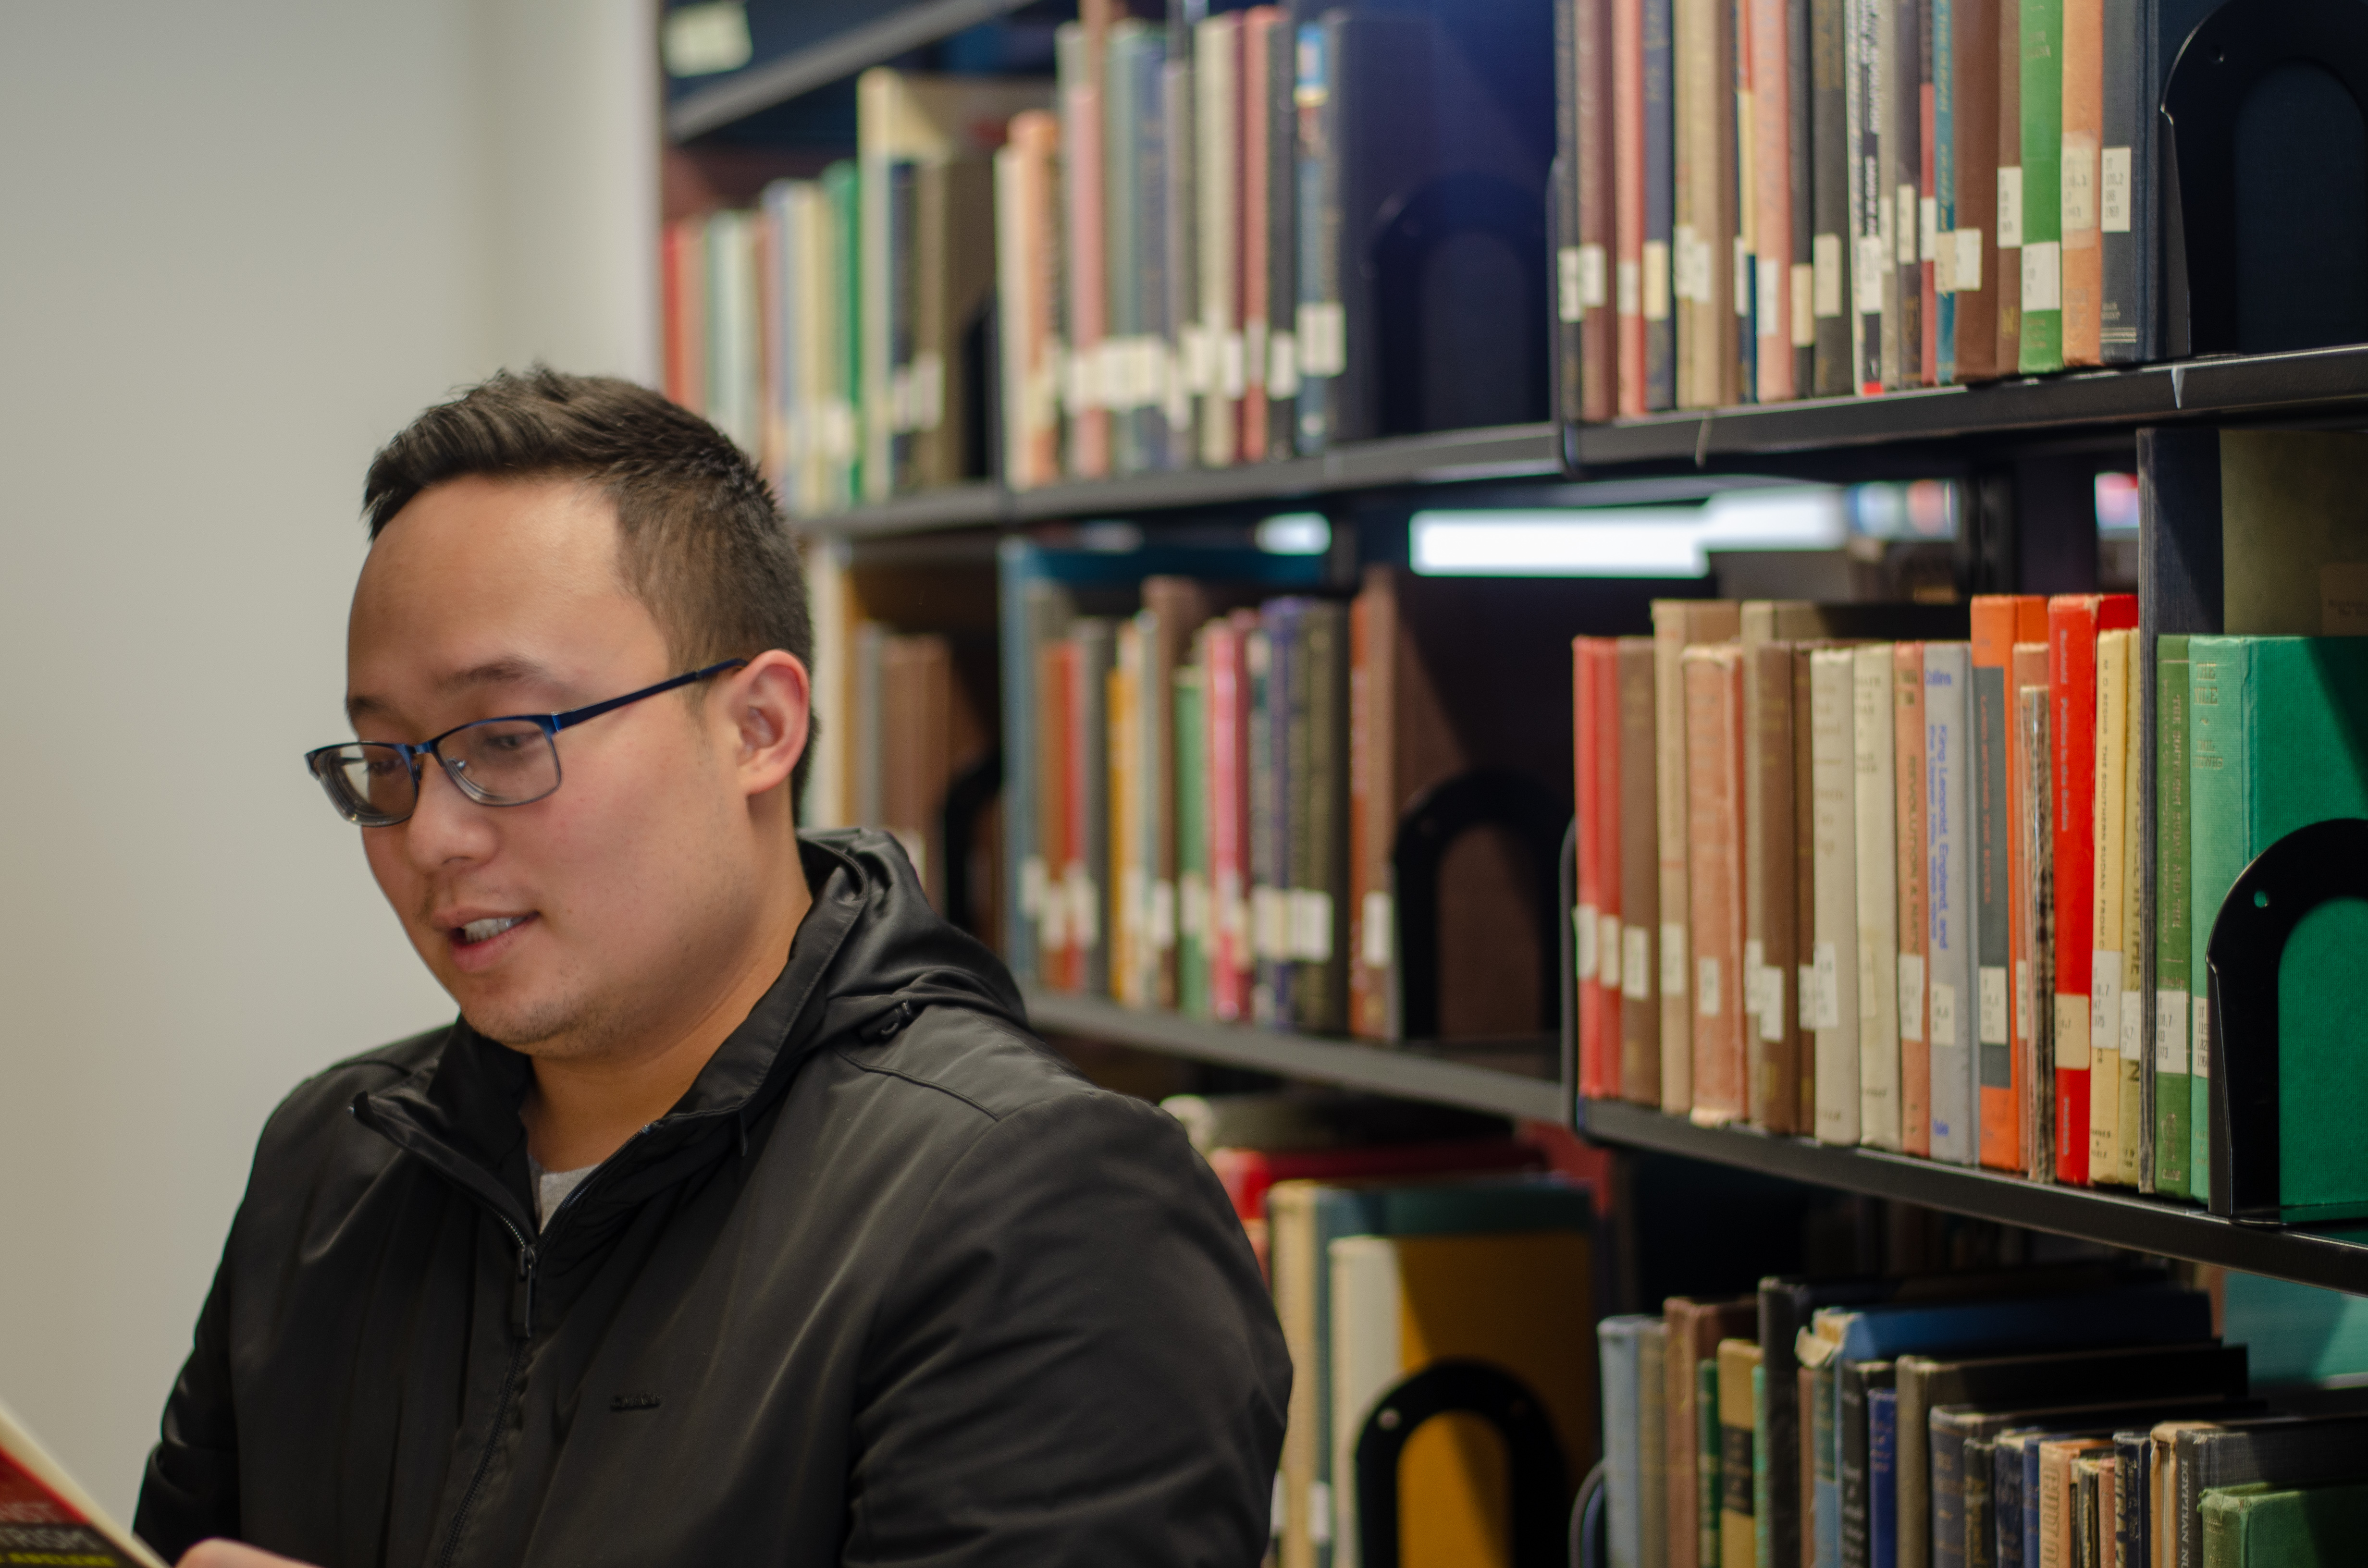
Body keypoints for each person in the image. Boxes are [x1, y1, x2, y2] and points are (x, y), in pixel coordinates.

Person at [135, 369, 1289, 1568]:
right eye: (387, 762)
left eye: (505, 741)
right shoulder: (332, 1162)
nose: (430, 835)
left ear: (758, 728)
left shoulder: (1041, 1206)